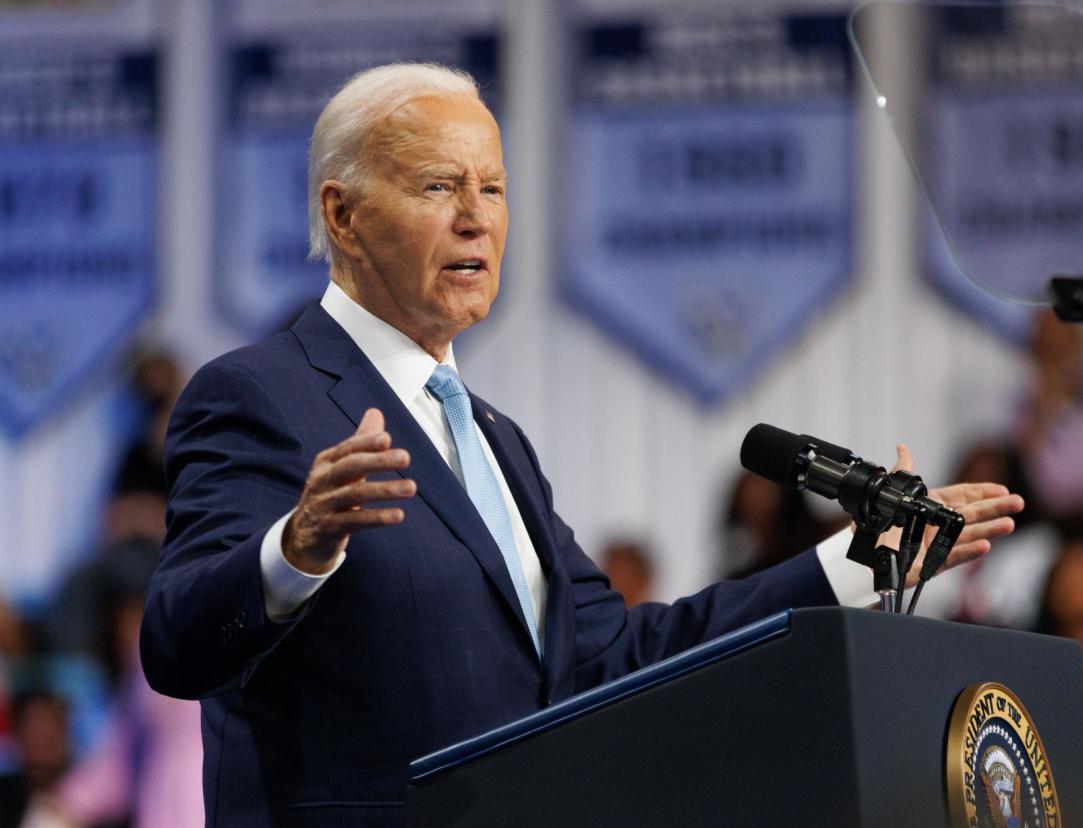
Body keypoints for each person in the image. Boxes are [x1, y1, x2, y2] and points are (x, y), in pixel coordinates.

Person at [139, 62, 1023, 824]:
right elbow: (178, 644)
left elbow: (616, 656)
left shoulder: (496, 440)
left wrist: (857, 564)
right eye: (438, 187)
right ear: (343, 215)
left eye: (492, 187)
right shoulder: (259, 394)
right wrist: (293, 551)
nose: (477, 218)